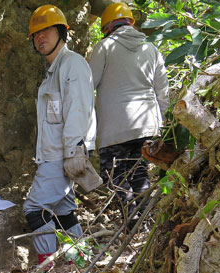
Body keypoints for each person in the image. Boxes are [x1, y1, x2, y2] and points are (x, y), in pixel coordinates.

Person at [23, 5, 98, 266]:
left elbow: (78, 110)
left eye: (46, 31)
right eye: (36, 34)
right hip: (55, 155)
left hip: (63, 155)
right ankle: (81, 261)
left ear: (61, 32)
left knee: (35, 208)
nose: (40, 37)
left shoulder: (72, 65)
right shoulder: (53, 71)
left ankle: (47, 265)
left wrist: (74, 151)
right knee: (64, 210)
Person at [89, 2, 169, 229]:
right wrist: (163, 124)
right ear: (130, 23)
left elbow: (88, 85)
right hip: (146, 125)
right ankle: (143, 225)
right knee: (140, 173)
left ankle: (131, 223)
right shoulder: (151, 49)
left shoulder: (104, 47)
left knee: (116, 179)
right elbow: (163, 92)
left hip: (114, 129)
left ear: (107, 27)